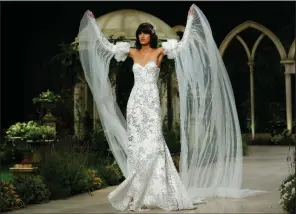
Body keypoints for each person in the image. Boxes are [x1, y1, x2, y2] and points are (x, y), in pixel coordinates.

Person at [78, 4, 264, 212]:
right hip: (135, 104)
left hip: (151, 103)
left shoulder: (160, 52)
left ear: (151, 36)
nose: (142, 37)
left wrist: (191, 21)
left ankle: (160, 191)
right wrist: (94, 26)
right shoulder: (131, 52)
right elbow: (106, 46)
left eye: (145, 33)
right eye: (140, 33)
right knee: (137, 147)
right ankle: (141, 192)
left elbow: (184, 45)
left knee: (155, 144)